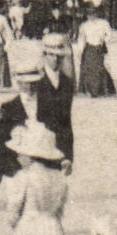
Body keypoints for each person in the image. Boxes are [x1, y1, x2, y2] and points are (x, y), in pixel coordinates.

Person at [35, 33, 76, 168]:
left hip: (58, 152)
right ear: (44, 55)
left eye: (59, 56)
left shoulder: (67, 83)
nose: (55, 59)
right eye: (51, 55)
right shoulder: (34, 81)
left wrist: (68, 156)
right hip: (36, 150)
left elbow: (66, 122)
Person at [77, 3, 117, 97]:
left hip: (98, 48)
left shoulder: (103, 23)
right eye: (89, 14)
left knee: (98, 68)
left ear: (97, 14)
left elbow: (109, 34)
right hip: (88, 48)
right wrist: (80, 50)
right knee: (88, 68)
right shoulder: (84, 25)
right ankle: (90, 90)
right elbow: (82, 39)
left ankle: (101, 90)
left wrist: (104, 40)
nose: (91, 16)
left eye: (93, 14)